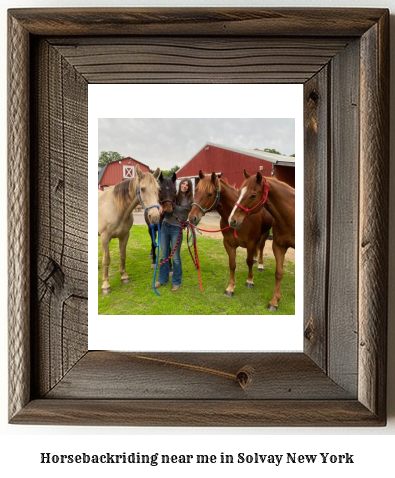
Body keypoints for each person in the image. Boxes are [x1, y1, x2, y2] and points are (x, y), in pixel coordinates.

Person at [155, 178, 193, 291]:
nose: (184, 186)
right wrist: (160, 207)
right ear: (180, 184)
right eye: (183, 183)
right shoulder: (173, 195)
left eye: (187, 185)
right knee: (163, 255)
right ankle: (162, 279)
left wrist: (189, 222)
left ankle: (176, 281)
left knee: (175, 257)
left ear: (189, 187)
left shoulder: (190, 201)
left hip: (177, 229)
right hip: (165, 226)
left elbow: (193, 214)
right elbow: (164, 200)